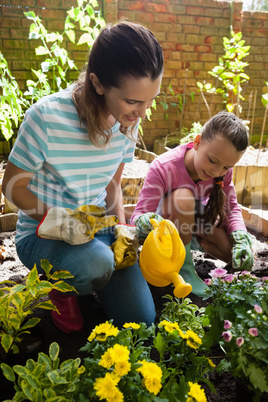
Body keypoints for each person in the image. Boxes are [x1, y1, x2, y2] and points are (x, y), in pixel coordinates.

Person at [2, 20, 164, 333]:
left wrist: (123, 230)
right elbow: (12, 186)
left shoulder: (127, 123)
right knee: (97, 265)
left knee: (141, 322)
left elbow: (112, 185)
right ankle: (61, 288)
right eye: (133, 101)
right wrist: (58, 221)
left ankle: (89, 271)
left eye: (149, 101)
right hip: (42, 233)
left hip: (94, 230)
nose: (141, 113)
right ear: (98, 83)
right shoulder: (47, 117)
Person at [131, 111, 254, 297]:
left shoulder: (220, 170)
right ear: (197, 142)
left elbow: (231, 207)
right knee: (183, 199)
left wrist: (241, 238)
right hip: (165, 231)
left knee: (235, 256)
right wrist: (146, 221)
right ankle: (183, 268)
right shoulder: (164, 166)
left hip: (195, 222)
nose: (216, 171)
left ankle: (189, 252)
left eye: (226, 167)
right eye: (213, 161)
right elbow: (139, 214)